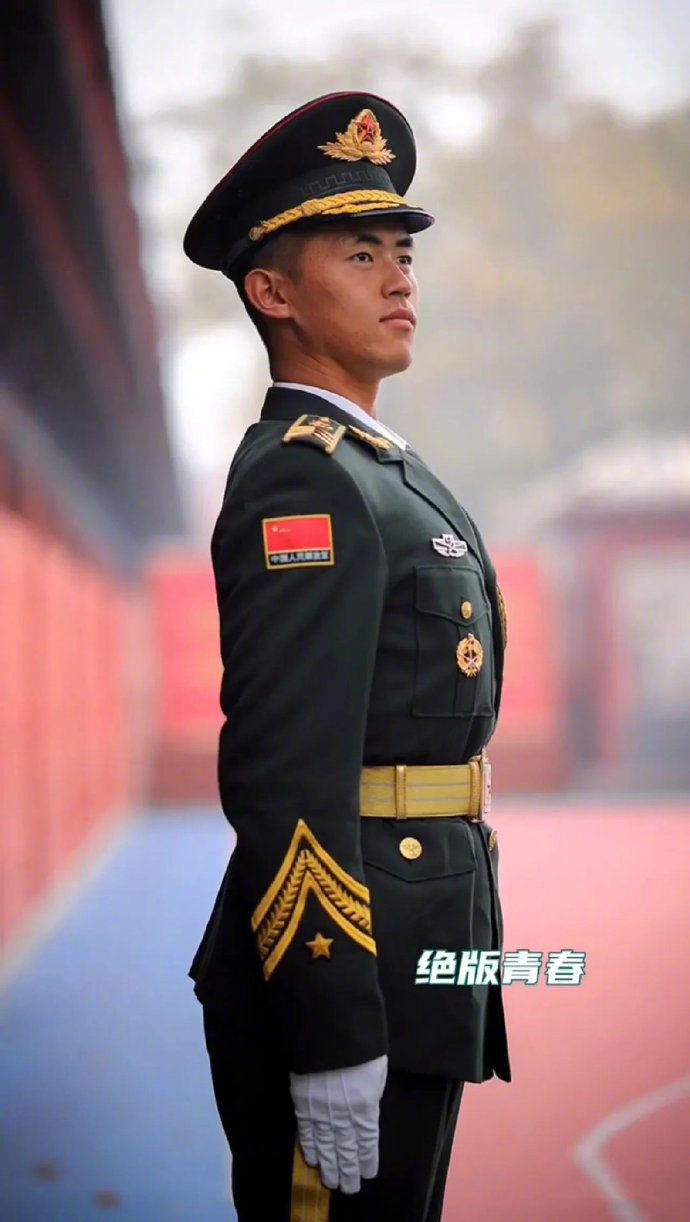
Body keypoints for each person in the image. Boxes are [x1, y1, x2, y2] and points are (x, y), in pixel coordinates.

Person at [183, 91, 510, 1222]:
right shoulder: (305, 476)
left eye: (402, 252)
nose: (399, 277)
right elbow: (287, 773)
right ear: (271, 293)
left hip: (420, 950)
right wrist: (330, 1032)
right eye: (360, 253)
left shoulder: (379, 468)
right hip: (351, 968)